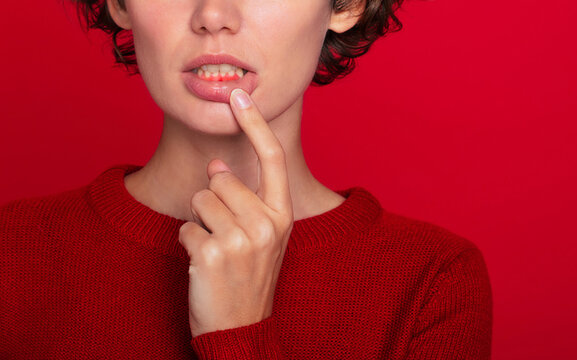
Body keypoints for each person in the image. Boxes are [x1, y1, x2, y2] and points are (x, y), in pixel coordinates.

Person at [0, 0, 493, 358]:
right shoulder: (13, 251)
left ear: (347, 5)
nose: (213, 14)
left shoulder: (431, 281)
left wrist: (239, 334)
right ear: (119, 4)